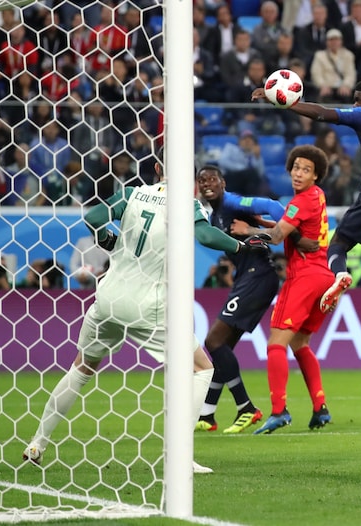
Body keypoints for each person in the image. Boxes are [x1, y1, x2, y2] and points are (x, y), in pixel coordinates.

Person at [22, 154, 269, 474]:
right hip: (146, 305)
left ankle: (37, 442)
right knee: (202, 368)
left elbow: (94, 217)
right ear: (191, 179)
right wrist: (242, 246)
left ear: (157, 170)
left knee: (81, 368)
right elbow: (206, 236)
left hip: (108, 298)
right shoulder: (187, 203)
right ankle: (180, 457)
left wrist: (108, 239)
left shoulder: (131, 193)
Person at [251, 78, 361, 321]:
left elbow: (323, 114)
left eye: (358, 99)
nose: (355, 104)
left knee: (338, 244)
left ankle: (339, 275)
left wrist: (287, 103)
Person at [194, 165, 318, 434]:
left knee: (213, 341)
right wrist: (257, 228)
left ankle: (246, 408)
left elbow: (272, 205)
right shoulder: (214, 216)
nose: (207, 184)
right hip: (248, 277)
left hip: (258, 275)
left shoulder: (233, 202)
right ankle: (207, 414)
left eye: (212, 179)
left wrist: (293, 234)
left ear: (223, 182)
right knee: (221, 347)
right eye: (201, 180)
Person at [229, 146, 335, 435]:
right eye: (296, 168)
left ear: (316, 175)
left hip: (303, 277)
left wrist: (246, 230)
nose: (298, 173)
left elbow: (277, 238)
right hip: (325, 276)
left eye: (306, 170)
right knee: (300, 344)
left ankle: (279, 411)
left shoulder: (301, 200)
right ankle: (320, 408)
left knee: (276, 343)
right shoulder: (318, 196)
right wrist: (265, 223)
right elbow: (289, 228)